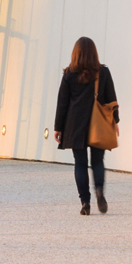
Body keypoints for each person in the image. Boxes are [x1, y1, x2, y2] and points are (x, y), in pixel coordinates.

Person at [53, 35, 118, 215]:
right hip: (98, 125)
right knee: (97, 161)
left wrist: (58, 127)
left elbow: (62, 103)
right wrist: (115, 121)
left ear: (76, 53)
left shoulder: (69, 75)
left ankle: (85, 203)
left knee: (80, 163)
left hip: (75, 126)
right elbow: (111, 99)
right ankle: (99, 190)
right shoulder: (103, 73)